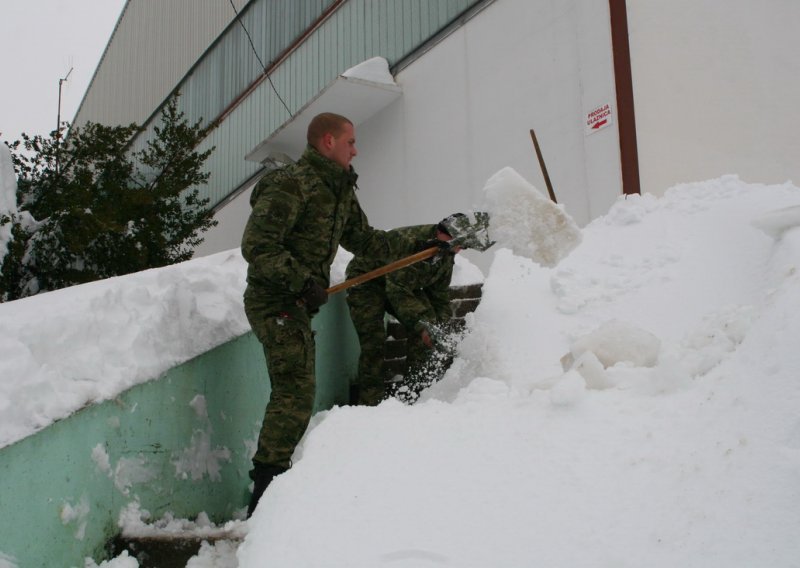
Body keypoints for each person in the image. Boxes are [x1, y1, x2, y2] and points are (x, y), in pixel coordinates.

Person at [240, 112, 416, 517]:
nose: (356, 149)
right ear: (327, 142)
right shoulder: (291, 184)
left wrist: (430, 236)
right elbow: (258, 245)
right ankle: (263, 501)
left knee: (297, 393)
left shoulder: (339, 190)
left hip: (298, 302)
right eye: (350, 141)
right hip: (274, 301)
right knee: (295, 393)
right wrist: (302, 281)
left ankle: (269, 496)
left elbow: (367, 241)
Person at [346, 214, 466, 406]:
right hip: (367, 281)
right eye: (458, 243)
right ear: (441, 233)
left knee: (428, 330)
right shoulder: (414, 245)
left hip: (401, 285)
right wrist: (422, 324)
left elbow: (439, 295)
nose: (459, 250)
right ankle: (369, 404)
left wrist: (440, 326)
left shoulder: (446, 252)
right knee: (373, 342)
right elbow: (398, 292)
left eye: (463, 246)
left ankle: (414, 395)